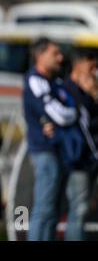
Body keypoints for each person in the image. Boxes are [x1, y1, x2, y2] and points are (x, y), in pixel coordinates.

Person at [23, 38, 78, 241]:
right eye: (55, 53)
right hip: (44, 152)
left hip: (58, 150)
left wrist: (69, 115)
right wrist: (69, 115)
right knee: (43, 210)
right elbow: (62, 115)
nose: (60, 58)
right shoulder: (35, 79)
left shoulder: (54, 82)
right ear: (40, 55)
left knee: (54, 211)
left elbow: (72, 111)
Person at [61, 51, 98, 240]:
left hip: (90, 159)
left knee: (81, 210)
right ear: (78, 66)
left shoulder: (89, 91)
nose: (95, 71)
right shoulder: (66, 90)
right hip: (77, 159)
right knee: (79, 209)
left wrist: (94, 93)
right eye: (90, 67)